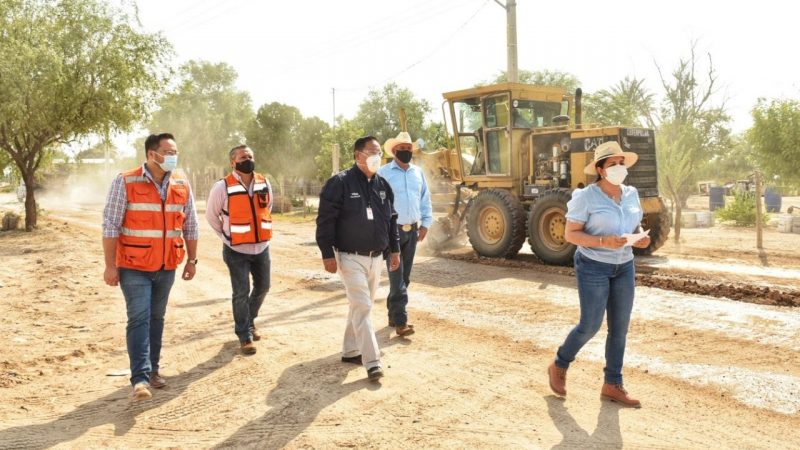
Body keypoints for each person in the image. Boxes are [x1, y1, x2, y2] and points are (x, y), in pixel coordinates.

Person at [546, 140, 650, 408]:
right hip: (593, 265)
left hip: (624, 266)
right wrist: (604, 242)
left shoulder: (631, 194)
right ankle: (560, 363)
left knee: (620, 329)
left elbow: (635, 225)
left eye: (621, 163)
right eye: (612, 164)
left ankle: (612, 384)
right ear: (601, 170)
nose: (618, 168)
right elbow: (571, 234)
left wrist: (640, 239)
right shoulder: (585, 197)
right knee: (590, 325)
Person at [102, 133, 198, 401]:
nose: (173, 156)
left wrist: (192, 259)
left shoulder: (181, 183)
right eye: (167, 151)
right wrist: (110, 266)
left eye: (175, 151)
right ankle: (140, 379)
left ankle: (153, 370)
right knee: (139, 318)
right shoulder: (126, 181)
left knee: (157, 318)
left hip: (167, 265)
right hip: (134, 266)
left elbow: (190, 224)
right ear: (151, 154)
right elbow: (110, 224)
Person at [316, 136, 401, 381]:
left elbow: (392, 219)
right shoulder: (339, 183)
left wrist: (393, 250)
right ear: (357, 156)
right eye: (371, 152)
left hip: (376, 258)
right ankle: (372, 361)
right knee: (364, 307)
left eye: (379, 153)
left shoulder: (383, 185)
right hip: (349, 257)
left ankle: (350, 349)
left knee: (358, 305)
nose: (377, 157)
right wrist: (326, 254)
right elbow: (325, 222)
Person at [206, 145, 272, 355]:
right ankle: (244, 335)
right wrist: (227, 237)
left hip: (261, 246)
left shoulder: (264, 182)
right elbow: (211, 216)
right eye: (243, 157)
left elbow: (267, 208)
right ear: (233, 162)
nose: (248, 159)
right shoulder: (222, 187)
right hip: (236, 250)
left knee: (263, 286)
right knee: (241, 292)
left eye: (250, 156)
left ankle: (249, 320)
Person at [377, 132, 433, 337]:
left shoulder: (418, 173)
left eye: (409, 149)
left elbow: (425, 199)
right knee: (397, 276)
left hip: (413, 230)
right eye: (402, 148)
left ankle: (393, 314)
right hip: (393, 231)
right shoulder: (383, 174)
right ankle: (401, 322)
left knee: (404, 277)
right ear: (394, 151)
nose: (407, 151)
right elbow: (377, 203)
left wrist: (426, 223)